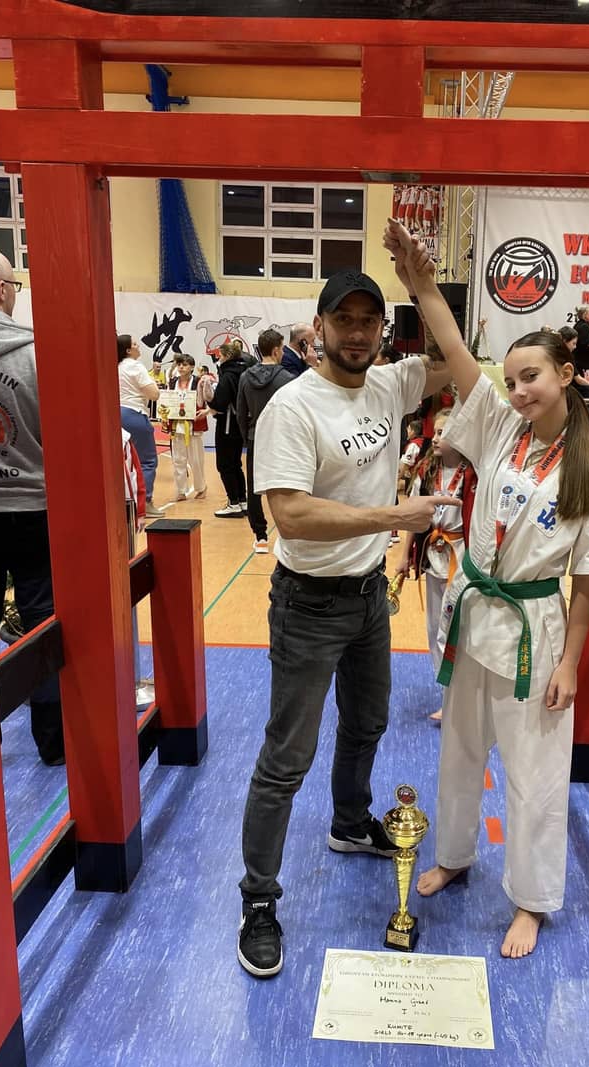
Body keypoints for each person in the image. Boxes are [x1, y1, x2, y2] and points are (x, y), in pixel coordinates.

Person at [384, 219, 589, 959]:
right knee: (460, 749)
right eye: (512, 379)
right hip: (475, 612)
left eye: (532, 377)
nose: (517, 390)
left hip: (535, 630)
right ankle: (455, 855)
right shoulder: (497, 428)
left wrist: (571, 664)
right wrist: (422, 286)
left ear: (566, 375)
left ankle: (531, 899)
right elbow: (458, 354)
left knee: (534, 773)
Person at [237, 267, 457, 979]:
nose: (357, 333)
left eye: (369, 320)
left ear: (382, 330)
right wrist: (394, 516)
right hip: (307, 604)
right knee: (285, 759)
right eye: (345, 320)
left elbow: (460, 358)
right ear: (320, 326)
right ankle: (259, 901)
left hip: (366, 598)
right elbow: (291, 514)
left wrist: (424, 285)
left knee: (367, 723)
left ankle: (349, 822)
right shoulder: (294, 406)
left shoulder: (391, 383)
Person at [0, 245, 65, 765]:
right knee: (42, 623)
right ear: (2, 290)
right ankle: (54, 742)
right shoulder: (38, 354)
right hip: (34, 506)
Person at [393, 408, 476, 723]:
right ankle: (448, 695)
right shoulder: (426, 470)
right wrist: (404, 556)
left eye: (444, 433)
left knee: (456, 630)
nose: (436, 438)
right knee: (434, 628)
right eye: (436, 432)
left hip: (462, 558)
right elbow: (415, 518)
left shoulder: (473, 473)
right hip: (433, 556)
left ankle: (462, 699)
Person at [236, 328, 293, 553]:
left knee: (253, 487)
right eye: (282, 349)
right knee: (287, 486)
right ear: (277, 350)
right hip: (281, 439)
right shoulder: (287, 379)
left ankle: (260, 537)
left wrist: (247, 436)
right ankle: (287, 534)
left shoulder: (245, 377)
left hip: (255, 438)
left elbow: (241, 412)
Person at [117, 334, 163, 518]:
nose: (138, 345)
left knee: (123, 461)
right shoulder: (135, 366)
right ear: (128, 350)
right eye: (135, 343)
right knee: (147, 461)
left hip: (116, 414)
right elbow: (154, 394)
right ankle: (145, 503)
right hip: (134, 414)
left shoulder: (116, 366)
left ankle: (124, 500)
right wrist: (153, 385)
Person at [208, 341, 249, 518]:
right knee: (236, 464)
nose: (218, 359)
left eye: (220, 355)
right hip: (240, 424)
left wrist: (210, 399)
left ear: (226, 356)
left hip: (227, 424)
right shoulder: (245, 370)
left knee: (224, 465)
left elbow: (220, 403)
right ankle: (242, 501)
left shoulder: (228, 375)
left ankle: (233, 503)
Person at [164, 354, 209, 501]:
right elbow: (167, 401)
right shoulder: (172, 382)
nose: (181, 367)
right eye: (179, 365)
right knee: (178, 459)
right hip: (176, 425)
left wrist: (206, 383)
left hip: (193, 426)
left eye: (184, 365)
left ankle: (201, 488)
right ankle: (181, 491)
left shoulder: (198, 381)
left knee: (196, 460)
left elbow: (203, 401)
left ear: (191, 367)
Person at [572, 306, 589, 382]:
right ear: (585, 315)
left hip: (579, 360)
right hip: (582, 362)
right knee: (583, 382)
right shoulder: (584, 326)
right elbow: (585, 345)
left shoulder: (580, 324)